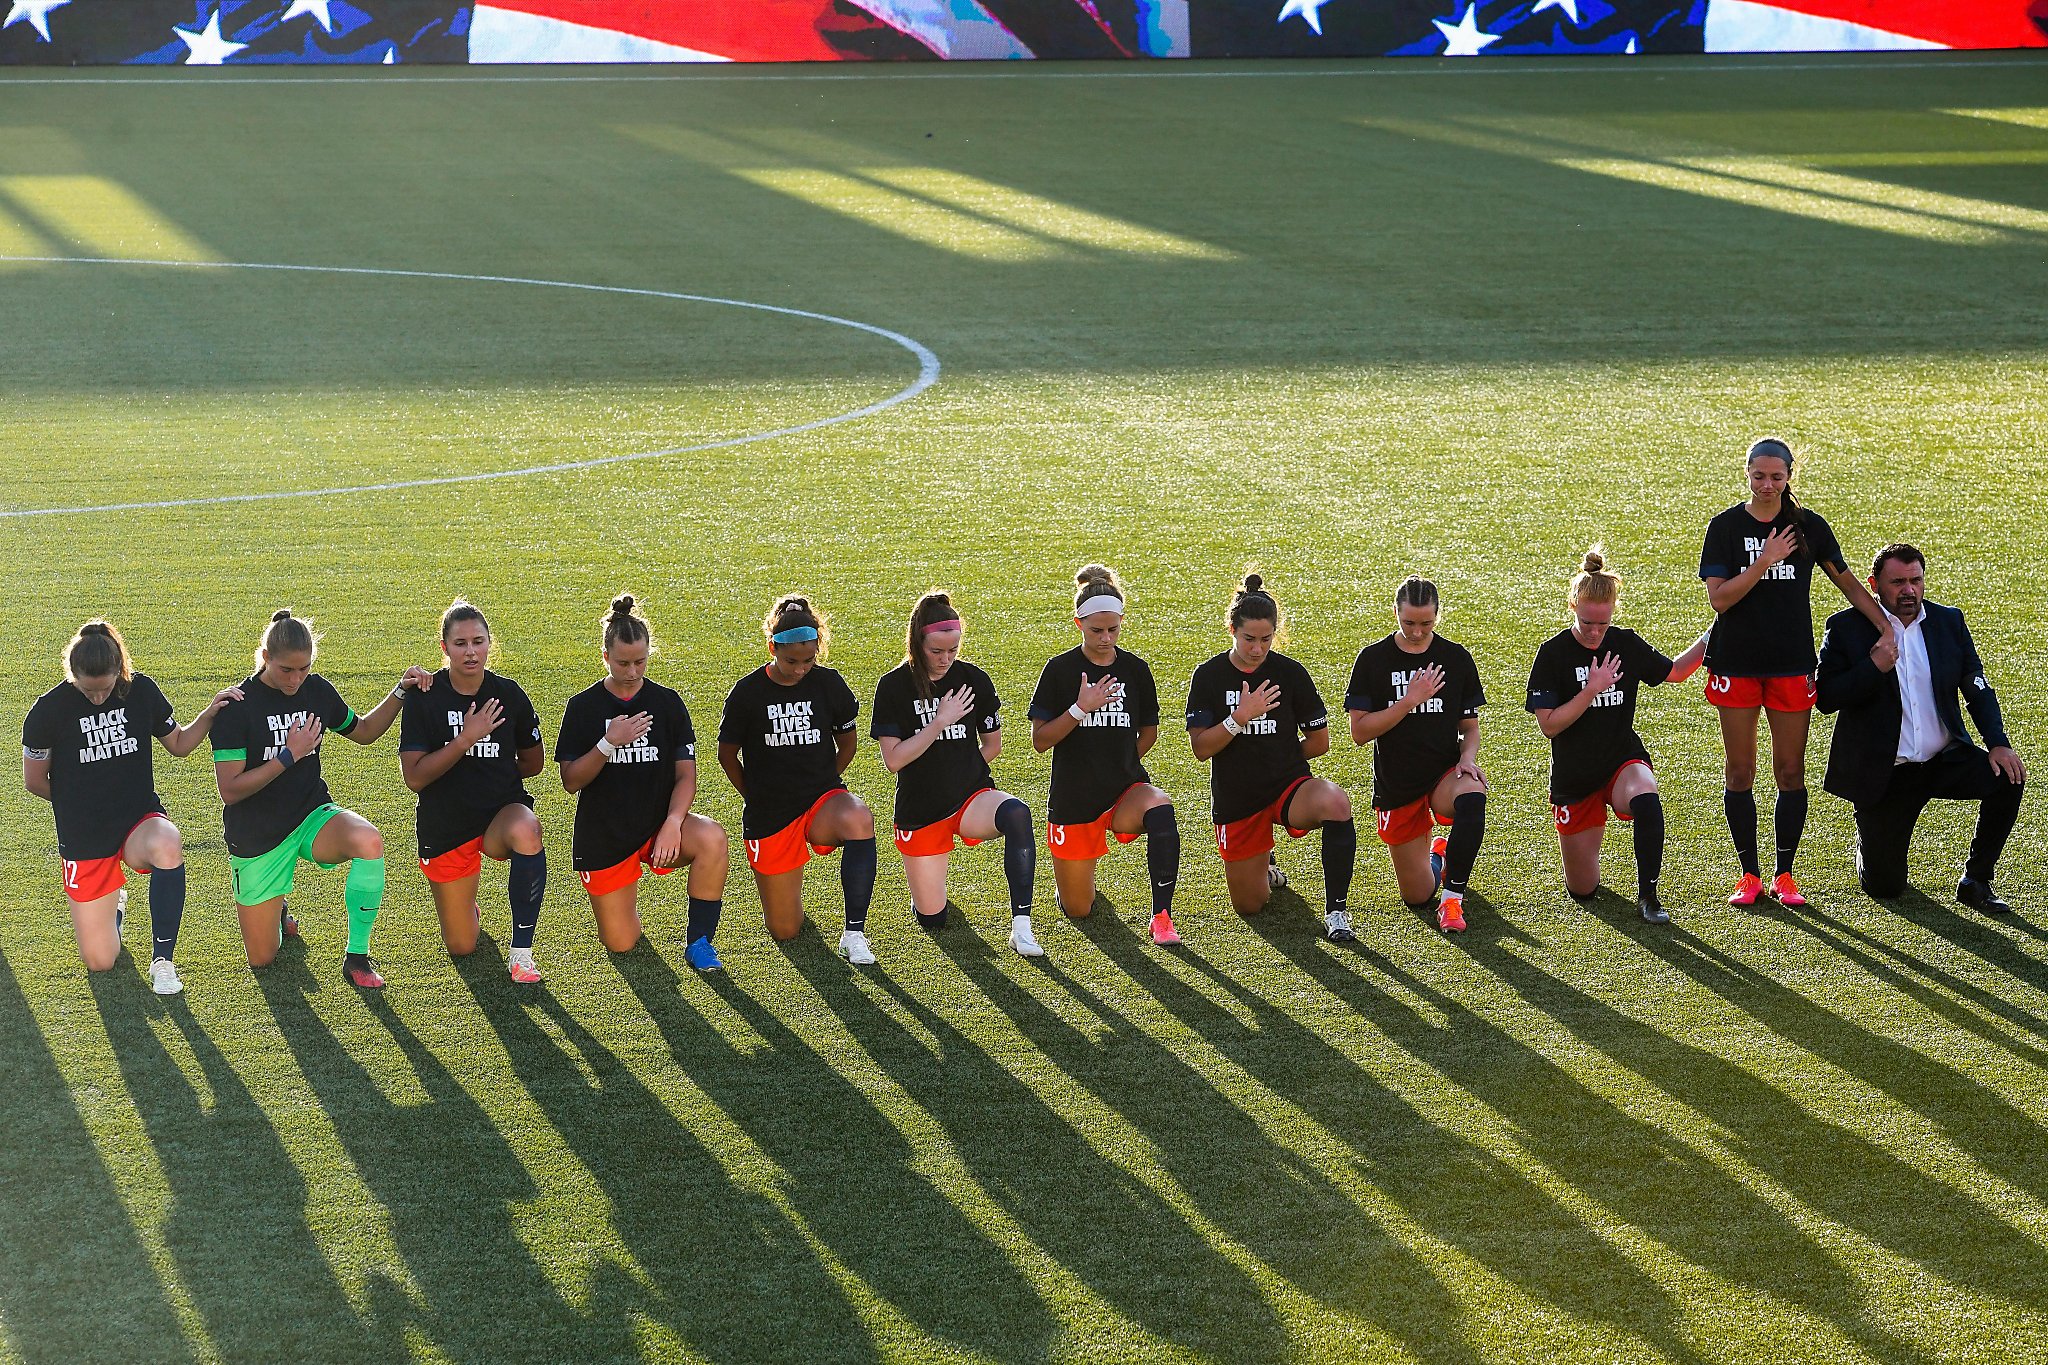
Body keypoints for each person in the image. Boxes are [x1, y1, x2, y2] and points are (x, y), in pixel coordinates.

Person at [1700, 437, 1893, 910]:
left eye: (1777, 477)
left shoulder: (1808, 527)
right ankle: (1749, 875)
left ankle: (1785, 874)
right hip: (1737, 664)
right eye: (1759, 475)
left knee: (1789, 770)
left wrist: (1886, 626)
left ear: (1789, 477)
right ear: (1746, 473)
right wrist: (1765, 560)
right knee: (1740, 770)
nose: (1767, 485)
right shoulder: (1724, 527)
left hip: (1791, 665)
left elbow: (1846, 581)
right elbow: (1720, 599)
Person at [21, 620, 240, 994]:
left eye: (105, 688)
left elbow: (180, 744)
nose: (97, 698)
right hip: (84, 836)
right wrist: (82, 803)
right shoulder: (47, 711)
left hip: (137, 822)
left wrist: (210, 712)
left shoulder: (140, 691)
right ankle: (115, 908)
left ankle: (163, 961)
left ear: (119, 670)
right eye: (87, 690)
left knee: (167, 843)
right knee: (101, 961)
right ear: (70, 674)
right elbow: (35, 781)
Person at [212, 609, 422, 989]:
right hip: (258, 836)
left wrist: (401, 691)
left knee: (369, 840)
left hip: (311, 816)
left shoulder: (317, 690)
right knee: (263, 958)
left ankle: (357, 957)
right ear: (265, 658)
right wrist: (288, 755)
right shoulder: (237, 707)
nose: (296, 679)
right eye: (286, 670)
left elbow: (365, 731)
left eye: (304, 669)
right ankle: (277, 909)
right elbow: (230, 790)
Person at [1817, 543, 2026, 911]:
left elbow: (1976, 686)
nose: (1909, 590)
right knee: (1886, 887)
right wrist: (1873, 667)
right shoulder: (1846, 628)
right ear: (1874, 584)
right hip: (1887, 772)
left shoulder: (1948, 622)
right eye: (1898, 582)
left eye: (1915, 580)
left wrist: (1998, 742)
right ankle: (1870, 847)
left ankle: (1976, 879)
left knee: (2008, 777)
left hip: (1943, 760)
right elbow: (1827, 697)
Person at [1525, 549, 1708, 924]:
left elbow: (1673, 672)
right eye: (1587, 622)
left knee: (1645, 794)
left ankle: (1649, 896)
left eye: (1602, 624)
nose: (1595, 632)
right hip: (1575, 776)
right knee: (1583, 890)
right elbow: (1550, 725)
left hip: (1620, 759)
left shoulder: (1624, 643)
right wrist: (1591, 689)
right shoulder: (1553, 654)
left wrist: (1713, 632)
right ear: (1573, 604)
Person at [557, 595, 729, 966]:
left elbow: (686, 775)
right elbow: (571, 780)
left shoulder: (667, 703)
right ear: (605, 657)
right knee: (621, 943)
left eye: (640, 661)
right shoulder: (583, 707)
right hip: (605, 836)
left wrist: (673, 822)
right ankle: (625, 912)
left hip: (657, 827)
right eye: (623, 663)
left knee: (712, 836)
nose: (633, 671)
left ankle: (700, 941)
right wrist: (607, 743)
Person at [1185, 574, 1357, 940]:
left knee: (1336, 802)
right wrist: (1238, 718)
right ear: (1231, 629)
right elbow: (1201, 748)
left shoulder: (1290, 673)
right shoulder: (1209, 676)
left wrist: (1279, 755)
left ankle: (1337, 911)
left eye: (1266, 639)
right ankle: (1265, 864)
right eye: (1249, 639)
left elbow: (1320, 741)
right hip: (1238, 796)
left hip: (1287, 786)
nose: (1258, 649)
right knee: (1251, 905)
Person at [873, 592, 1044, 958]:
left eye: (953, 650)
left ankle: (1022, 927)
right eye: (937, 651)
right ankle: (930, 901)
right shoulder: (893, 686)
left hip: (970, 798)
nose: (946, 659)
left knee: (1017, 813)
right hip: (920, 810)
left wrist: (962, 772)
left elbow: (993, 745)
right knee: (933, 919)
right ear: (917, 641)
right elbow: (894, 759)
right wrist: (939, 722)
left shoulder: (973, 679)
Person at [718, 594, 879, 964]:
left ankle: (854, 933)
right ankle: (790, 903)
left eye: (809, 660)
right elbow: (727, 754)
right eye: (791, 660)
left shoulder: (829, 684)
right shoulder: (747, 692)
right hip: (771, 814)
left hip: (821, 801)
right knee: (785, 930)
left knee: (858, 817)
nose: (800, 669)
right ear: (772, 647)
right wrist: (754, 795)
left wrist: (824, 780)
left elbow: (848, 742)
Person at [1028, 565, 1181, 944]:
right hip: (1074, 798)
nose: (1106, 637)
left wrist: (1123, 763)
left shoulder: (1135, 669)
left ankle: (1161, 916)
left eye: (1113, 629)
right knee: (1079, 908)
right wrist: (1080, 709)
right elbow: (1041, 740)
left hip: (1124, 791)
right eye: (1096, 630)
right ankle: (1080, 881)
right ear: (1078, 623)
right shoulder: (1060, 670)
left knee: (1161, 808)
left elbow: (1149, 731)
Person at [399, 600, 548, 984]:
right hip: (445, 826)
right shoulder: (425, 696)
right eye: (461, 643)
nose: (471, 651)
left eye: (478, 642)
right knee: (463, 945)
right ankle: (468, 908)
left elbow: (533, 763)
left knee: (527, 828)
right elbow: (414, 777)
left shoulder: (509, 694)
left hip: (499, 816)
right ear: (444, 647)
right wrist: (466, 739)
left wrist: (491, 769)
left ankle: (522, 953)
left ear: (489, 644)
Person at [1345, 576, 1489, 933]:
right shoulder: (1373, 659)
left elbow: (1469, 728)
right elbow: (1359, 732)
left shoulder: (1454, 658)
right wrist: (1409, 700)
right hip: (1398, 783)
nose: (1417, 631)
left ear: (1438, 615)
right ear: (1395, 612)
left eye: (1426, 623)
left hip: (1444, 774)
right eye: (1408, 622)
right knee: (1417, 895)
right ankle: (1438, 856)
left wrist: (1468, 758)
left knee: (1473, 794)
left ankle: (1452, 900)